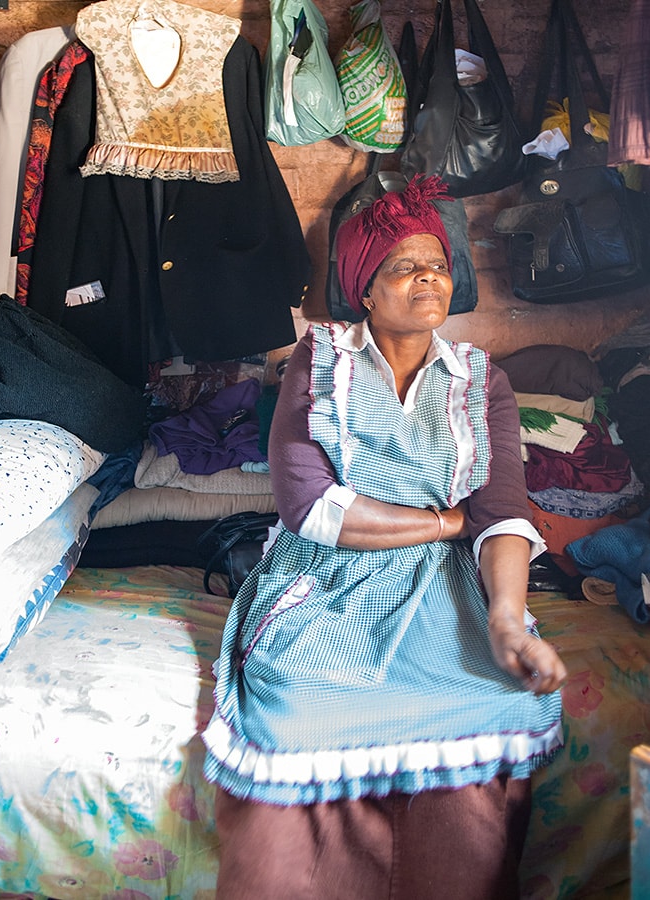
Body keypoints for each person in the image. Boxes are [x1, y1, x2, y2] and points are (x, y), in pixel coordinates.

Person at [202, 175, 567, 900]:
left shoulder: (477, 379)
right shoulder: (321, 361)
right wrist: (450, 521)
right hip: (331, 573)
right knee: (293, 700)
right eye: (403, 266)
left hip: (445, 579)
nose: (426, 276)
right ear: (364, 290)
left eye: (435, 263)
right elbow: (310, 505)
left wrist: (502, 619)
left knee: (495, 692)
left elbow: (502, 510)